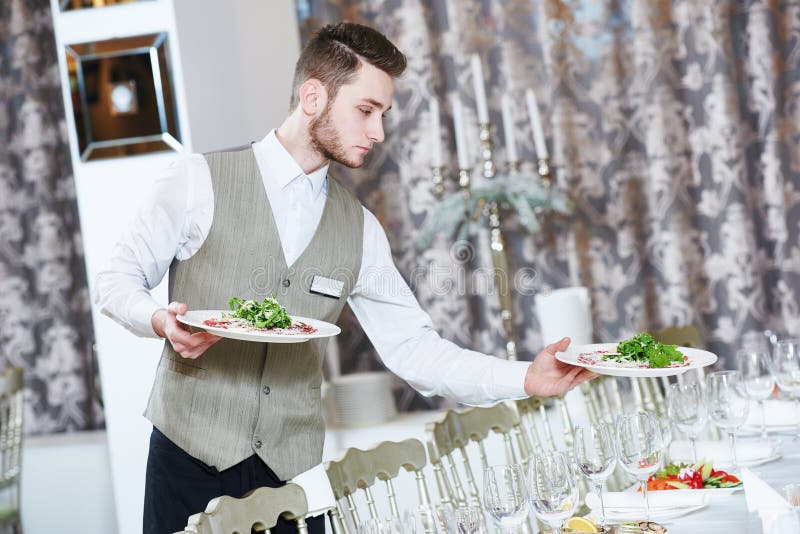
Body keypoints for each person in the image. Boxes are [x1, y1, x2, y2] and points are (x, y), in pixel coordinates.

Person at [94, 22, 595, 534]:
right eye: (366, 111)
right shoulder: (197, 180)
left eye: (383, 115)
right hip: (187, 464)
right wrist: (158, 319)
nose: (378, 132)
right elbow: (115, 280)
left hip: (291, 483)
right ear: (312, 95)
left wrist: (525, 379)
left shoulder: (360, 229)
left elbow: (416, 352)